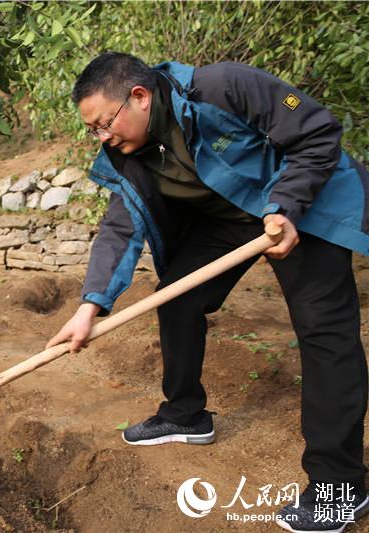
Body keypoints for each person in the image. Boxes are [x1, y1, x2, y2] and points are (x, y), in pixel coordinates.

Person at [47, 52, 368, 532]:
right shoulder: (125, 152)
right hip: (227, 221)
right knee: (178, 293)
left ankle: (340, 486)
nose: (101, 137)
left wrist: (285, 205)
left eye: (102, 124)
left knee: (325, 334)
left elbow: (316, 131)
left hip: (301, 205)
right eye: (92, 130)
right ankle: (185, 414)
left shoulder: (222, 87)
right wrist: (91, 304)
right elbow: (119, 228)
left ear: (138, 96)